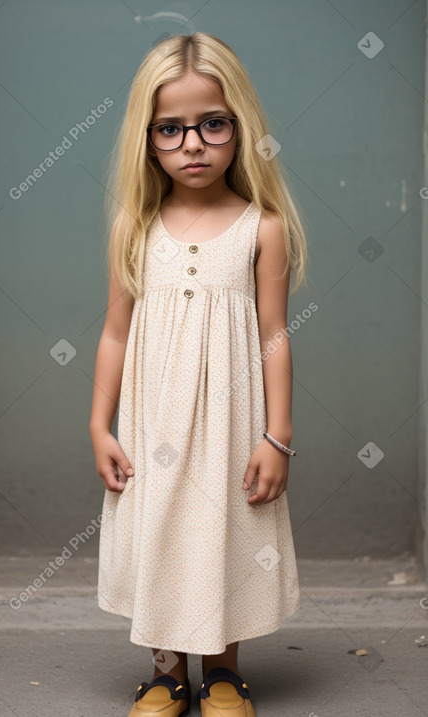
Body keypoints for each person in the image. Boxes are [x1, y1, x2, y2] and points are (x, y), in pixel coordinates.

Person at [90, 31, 308, 717]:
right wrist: (99, 424)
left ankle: (221, 672)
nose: (193, 143)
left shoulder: (260, 228)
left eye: (212, 124)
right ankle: (164, 672)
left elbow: (275, 335)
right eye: (171, 129)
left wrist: (277, 435)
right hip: (154, 419)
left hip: (227, 421)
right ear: (148, 138)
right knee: (160, 527)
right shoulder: (135, 225)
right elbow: (114, 330)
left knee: (223, 534)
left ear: (240, 127)